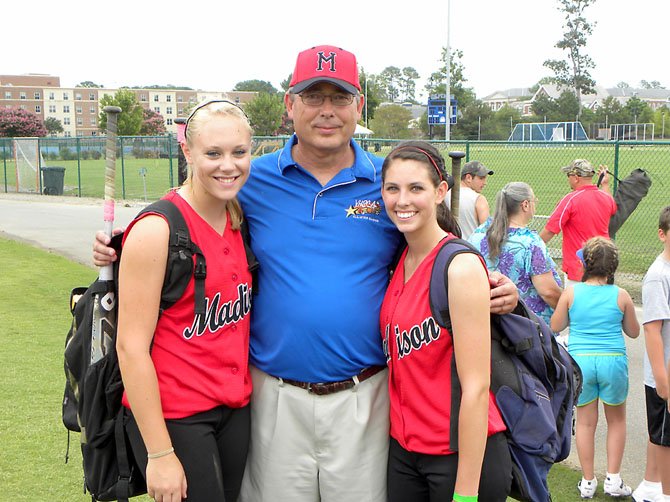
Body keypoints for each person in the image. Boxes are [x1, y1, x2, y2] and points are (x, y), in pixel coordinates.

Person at [94, 44, 519, 502]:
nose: (327, 111)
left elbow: (442, 246)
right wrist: (121, 244)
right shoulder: (248, 178)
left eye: (339, 98)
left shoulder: (389, 184)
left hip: (366, 395)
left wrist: (495, 284)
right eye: (313, 97)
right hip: (273, 396)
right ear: (289, 105)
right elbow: (186, 210)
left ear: (359, 105)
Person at [115, 99, 254, 502]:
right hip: (176, 417)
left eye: (238, 152)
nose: (227, 165)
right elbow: (130, 347)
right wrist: (159, 454)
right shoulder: (158, 228)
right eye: (213, 153)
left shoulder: (238, 215)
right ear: (187, 152)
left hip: (233, 408)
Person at [380, 141, 512, 501]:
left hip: (459, 458)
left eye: (416, 188)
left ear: (440, 192)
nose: (402, 200)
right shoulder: (399, 259)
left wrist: (466, 493)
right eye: (393, 188)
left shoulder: (459, 266)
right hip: (406, 451)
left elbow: (476, 388)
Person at [551, 236, 640, 499]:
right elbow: (634, 332)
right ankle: (613, 479)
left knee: (587, 423)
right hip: (613, 360)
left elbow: (555, 326)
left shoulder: (571, 292)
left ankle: (587, 481)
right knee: (617, 420)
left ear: (585, 265)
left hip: (581, 362)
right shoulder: (621, 295)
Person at [469, 181, 562, 327]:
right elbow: (548, 291)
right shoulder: (531, 243)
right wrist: (566, 309)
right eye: (533, 201)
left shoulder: (478, 234)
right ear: (525, 205)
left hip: (486, 320)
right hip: (526, 326)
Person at [634, 205, 670, 502]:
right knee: (667, 439)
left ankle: (649, 485)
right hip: (665, 373)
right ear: (662, 234)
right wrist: (662, 380)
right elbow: (652, 329)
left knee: (659, 434)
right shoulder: (658, 276)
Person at [540, 159, 617, 286]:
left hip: (578, 270)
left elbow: (550, 230)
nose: (568, 179)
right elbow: (612, 206)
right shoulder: (606, 198)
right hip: (604, 268)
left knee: (575, 305)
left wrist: (532, 247)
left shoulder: (570, 200)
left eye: (568, 175)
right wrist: (605, 185)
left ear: (576, 177)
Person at [445, 160, 493, 239]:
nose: (485, 183)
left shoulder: (444, 194)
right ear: (468, 178)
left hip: (448, 246)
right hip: (471, 248)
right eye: (481, 178)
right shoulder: (479, 199)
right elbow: (487, 232)